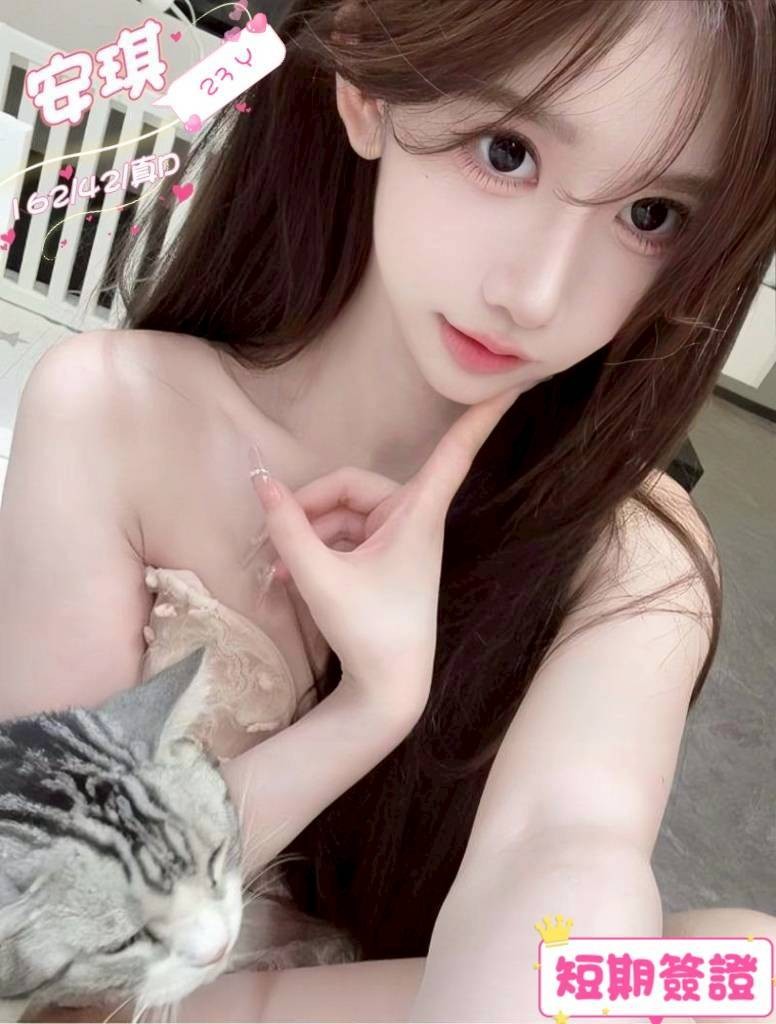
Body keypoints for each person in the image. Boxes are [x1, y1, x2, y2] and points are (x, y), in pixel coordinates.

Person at [1, 0, 774, 1020]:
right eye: (506, 152)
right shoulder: (117, 411)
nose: (538, 294)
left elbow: (563, 843)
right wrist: (367, 710)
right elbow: (46, 919)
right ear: (368, 88)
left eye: (652, 215)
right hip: (132, 1001)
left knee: (747, 967)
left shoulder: (630, 555)